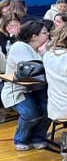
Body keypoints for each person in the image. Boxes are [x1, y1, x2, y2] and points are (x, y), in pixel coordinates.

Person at [2, 20, 50, 150]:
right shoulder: (19, 47)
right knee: (31, 114)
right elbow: (32, 69)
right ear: (34, 36)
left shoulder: (37, 50)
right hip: (17, 90)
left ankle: (38, 137)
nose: (48, 34)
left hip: (36, 89)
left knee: (49, 110)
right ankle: (20, 139)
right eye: (45, 33)